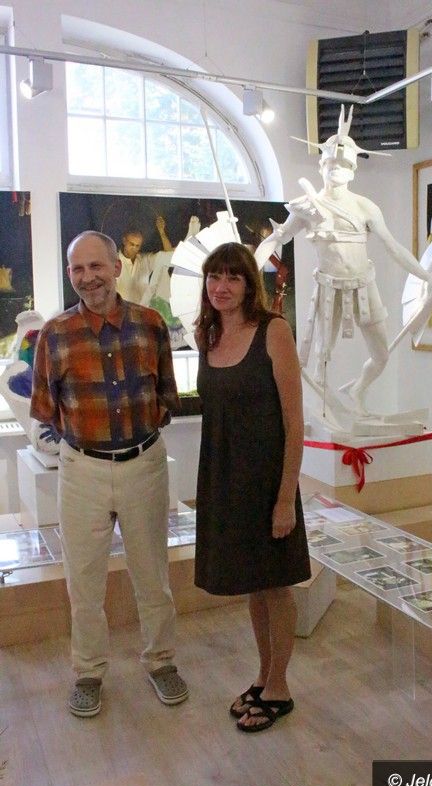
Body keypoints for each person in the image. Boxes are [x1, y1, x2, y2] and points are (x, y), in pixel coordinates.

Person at [30, 231, 188, 717]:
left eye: (96, 266)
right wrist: (86, 442)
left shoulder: (151, 325)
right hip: (83, 471)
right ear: (70, 274)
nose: (88, 277)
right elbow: (45, 409)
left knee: (153, 575)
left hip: (144, 465)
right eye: (77, 269)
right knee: (84, 582)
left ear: (117, 267)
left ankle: (161, 661)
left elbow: (167, 395)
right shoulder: (55, 334)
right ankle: (88, 672)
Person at [254, 105, 432, 419]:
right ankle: (326, 414)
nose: (336, 167)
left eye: (343, 163)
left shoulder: (366, 207)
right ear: (321, 165)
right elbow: (277, 238)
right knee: (322, 360)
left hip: (364, 286)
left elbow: (394, 248)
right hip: (329, 289)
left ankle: (357, 391)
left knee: (382, 355)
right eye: (331, 162)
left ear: (353, 169)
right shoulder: (307, 207)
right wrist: (249, 269)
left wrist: (428, 277)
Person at [193, 241, 311, 733]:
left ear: (249, 284)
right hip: (226, 478)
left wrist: (285, 498)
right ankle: (264, 676)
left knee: (276, 585)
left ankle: (279, 688)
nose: (221, 286)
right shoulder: (207, 334)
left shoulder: (273, 331)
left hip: (267, 480)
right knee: (255, 587)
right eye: (213, 276)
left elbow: (294, 422)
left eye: (232, 277)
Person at [116, 215, 173, 306]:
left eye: (137, 245)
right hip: (122, 311)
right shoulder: (113, 261)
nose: (134, 248)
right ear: (124, 241)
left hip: (143, 311)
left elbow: (169, 255)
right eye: (131, 244)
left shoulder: (145, 260)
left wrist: (161, 232)